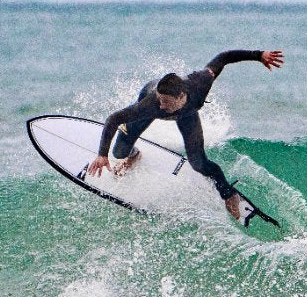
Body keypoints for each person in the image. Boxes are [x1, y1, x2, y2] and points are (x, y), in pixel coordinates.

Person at [87, 49, 285, 218]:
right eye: (160, 101)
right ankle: (133, 156)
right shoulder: (150, 105)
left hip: (187, 115)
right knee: (119, 152)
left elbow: (223, 57)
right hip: (147, 104)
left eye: (166, 102)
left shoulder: (201, 81)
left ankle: (228, 194)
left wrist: (259, 55)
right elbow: (113, 118)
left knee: (199, 163)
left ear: (181, 96)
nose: (162, 106)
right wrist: (102, 155)